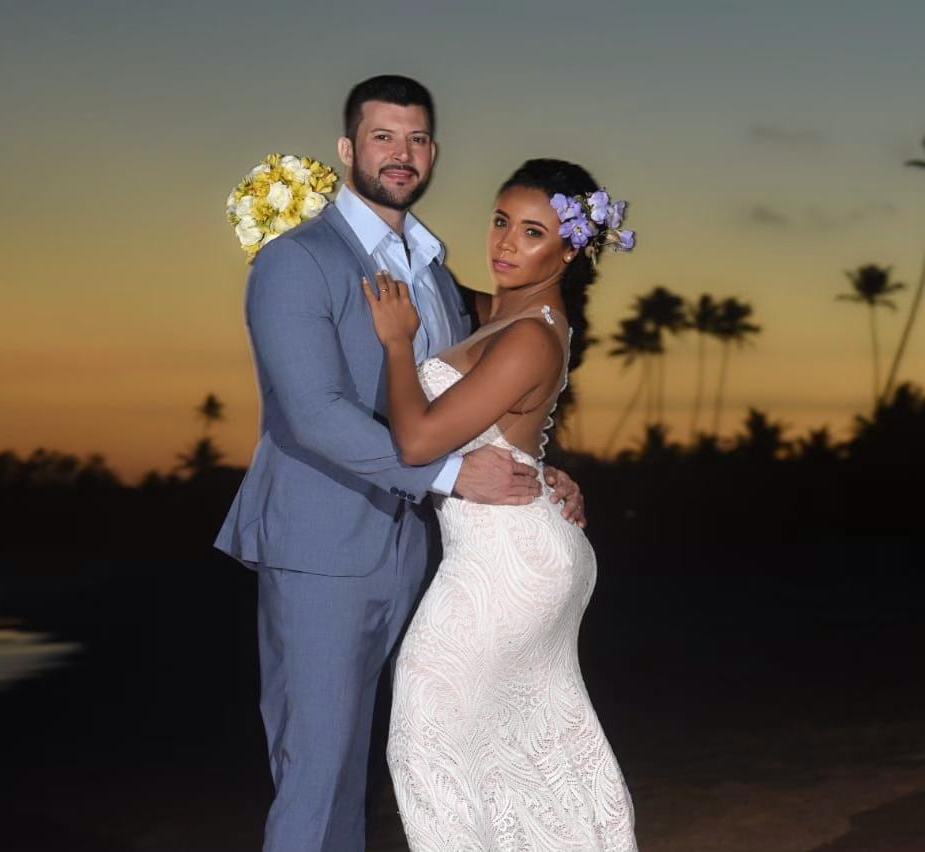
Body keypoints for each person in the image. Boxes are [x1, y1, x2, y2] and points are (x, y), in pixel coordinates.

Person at [213, 77, 588, 852]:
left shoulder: (433, 271)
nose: (401, 153)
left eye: (416, 138)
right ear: (348, 150)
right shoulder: (297, 262)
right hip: (321, 544)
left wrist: (537, 463)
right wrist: (452, 476)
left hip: (420, 551)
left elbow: (513, 357)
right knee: (317, 772)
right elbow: (312, 415)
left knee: (394, 761)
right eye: (383, 137)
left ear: (433, 153)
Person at [363, 159, 637, 849]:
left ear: (569, 250)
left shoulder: (528, 335)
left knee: (425, 736)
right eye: (500, 221)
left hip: (505, 562)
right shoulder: (502, 312)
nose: (507, 243)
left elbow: (420, 438)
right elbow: (435, 286)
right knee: (526, 753)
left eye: (533, 232)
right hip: (521, 545)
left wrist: (398, 345)